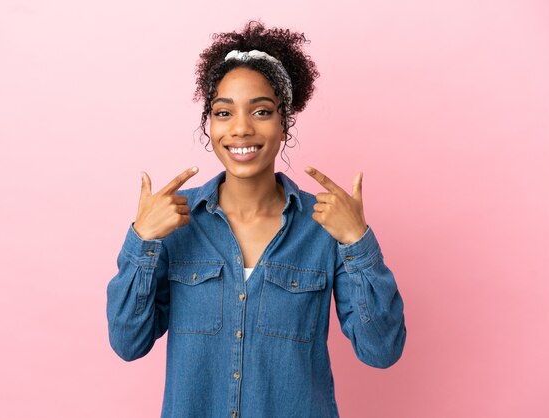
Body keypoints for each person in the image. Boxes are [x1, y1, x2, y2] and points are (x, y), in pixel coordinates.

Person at [106, 21, 406, 418]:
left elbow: (381, 350)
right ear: (209, 125)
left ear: (285, 122)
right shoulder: (172, 224)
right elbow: (129, 342)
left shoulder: (326, 228)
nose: (242, 128)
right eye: (223, 112)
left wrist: (358, 243)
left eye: (261, 111)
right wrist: (143, 241)